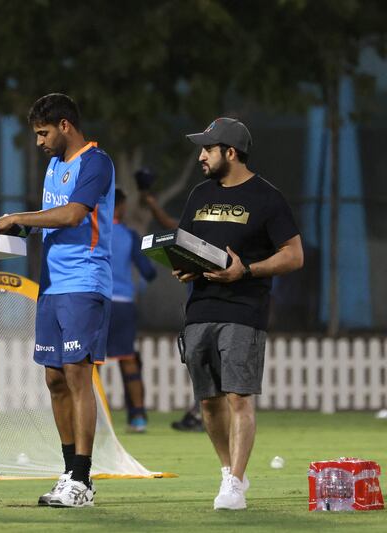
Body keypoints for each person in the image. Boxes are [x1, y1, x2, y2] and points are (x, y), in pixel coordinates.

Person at [0, 93, 115, 507]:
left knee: (76, 374)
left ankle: (84, 480)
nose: (38, 142)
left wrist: (14, 216)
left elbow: (72, 216)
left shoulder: (96, 162)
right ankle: (70, 472)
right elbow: (45, 223)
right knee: (53, 379)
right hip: (52, 285)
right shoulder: (54, 167)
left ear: (65, 126)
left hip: (84, 281)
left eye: (42, 132)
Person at [174, 117, 303, 510]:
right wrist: (183, 264)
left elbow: (294, 256)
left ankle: (233, 484)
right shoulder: (199, 193)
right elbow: (186, 243)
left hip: (244, 309)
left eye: (207, 149)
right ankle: (230, 470)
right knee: (209, 401)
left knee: (239, 397)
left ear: (230, 152)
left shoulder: (268, 197)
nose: (201, 156)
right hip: (200, 309)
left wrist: (245, 270)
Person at [136, 171, 205, 432]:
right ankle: (199, 411)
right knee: (198, 361)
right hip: (195, 307)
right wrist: (150, 200)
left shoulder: (216, 235)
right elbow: (166, 222)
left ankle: (202, 413)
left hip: (215, 308)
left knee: (210, 364)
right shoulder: (192, 232)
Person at [107, 189, 156, 433]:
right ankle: (138, 418)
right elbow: (149, 271)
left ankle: (92, 420)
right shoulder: (129, 235)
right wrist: (139, 286)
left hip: (95, 301)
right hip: (124, 303)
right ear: (122, 207)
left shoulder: (91, 231)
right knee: (128, 359)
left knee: (88, 364)